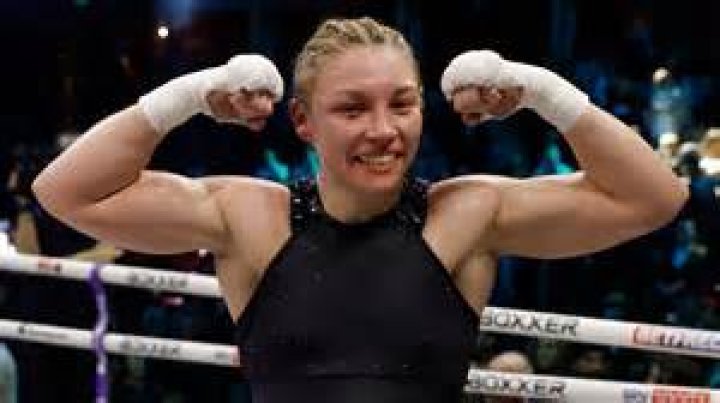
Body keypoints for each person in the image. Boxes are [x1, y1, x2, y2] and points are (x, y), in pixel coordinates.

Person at [32, 17, 686, 403]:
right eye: (352, 108)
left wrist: (541, 92)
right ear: (303, 121)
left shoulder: (466, 213)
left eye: (402, 104)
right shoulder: (251, 215)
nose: (383, 130)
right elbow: (67, 191)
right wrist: (192, 95)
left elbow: (654, 197)